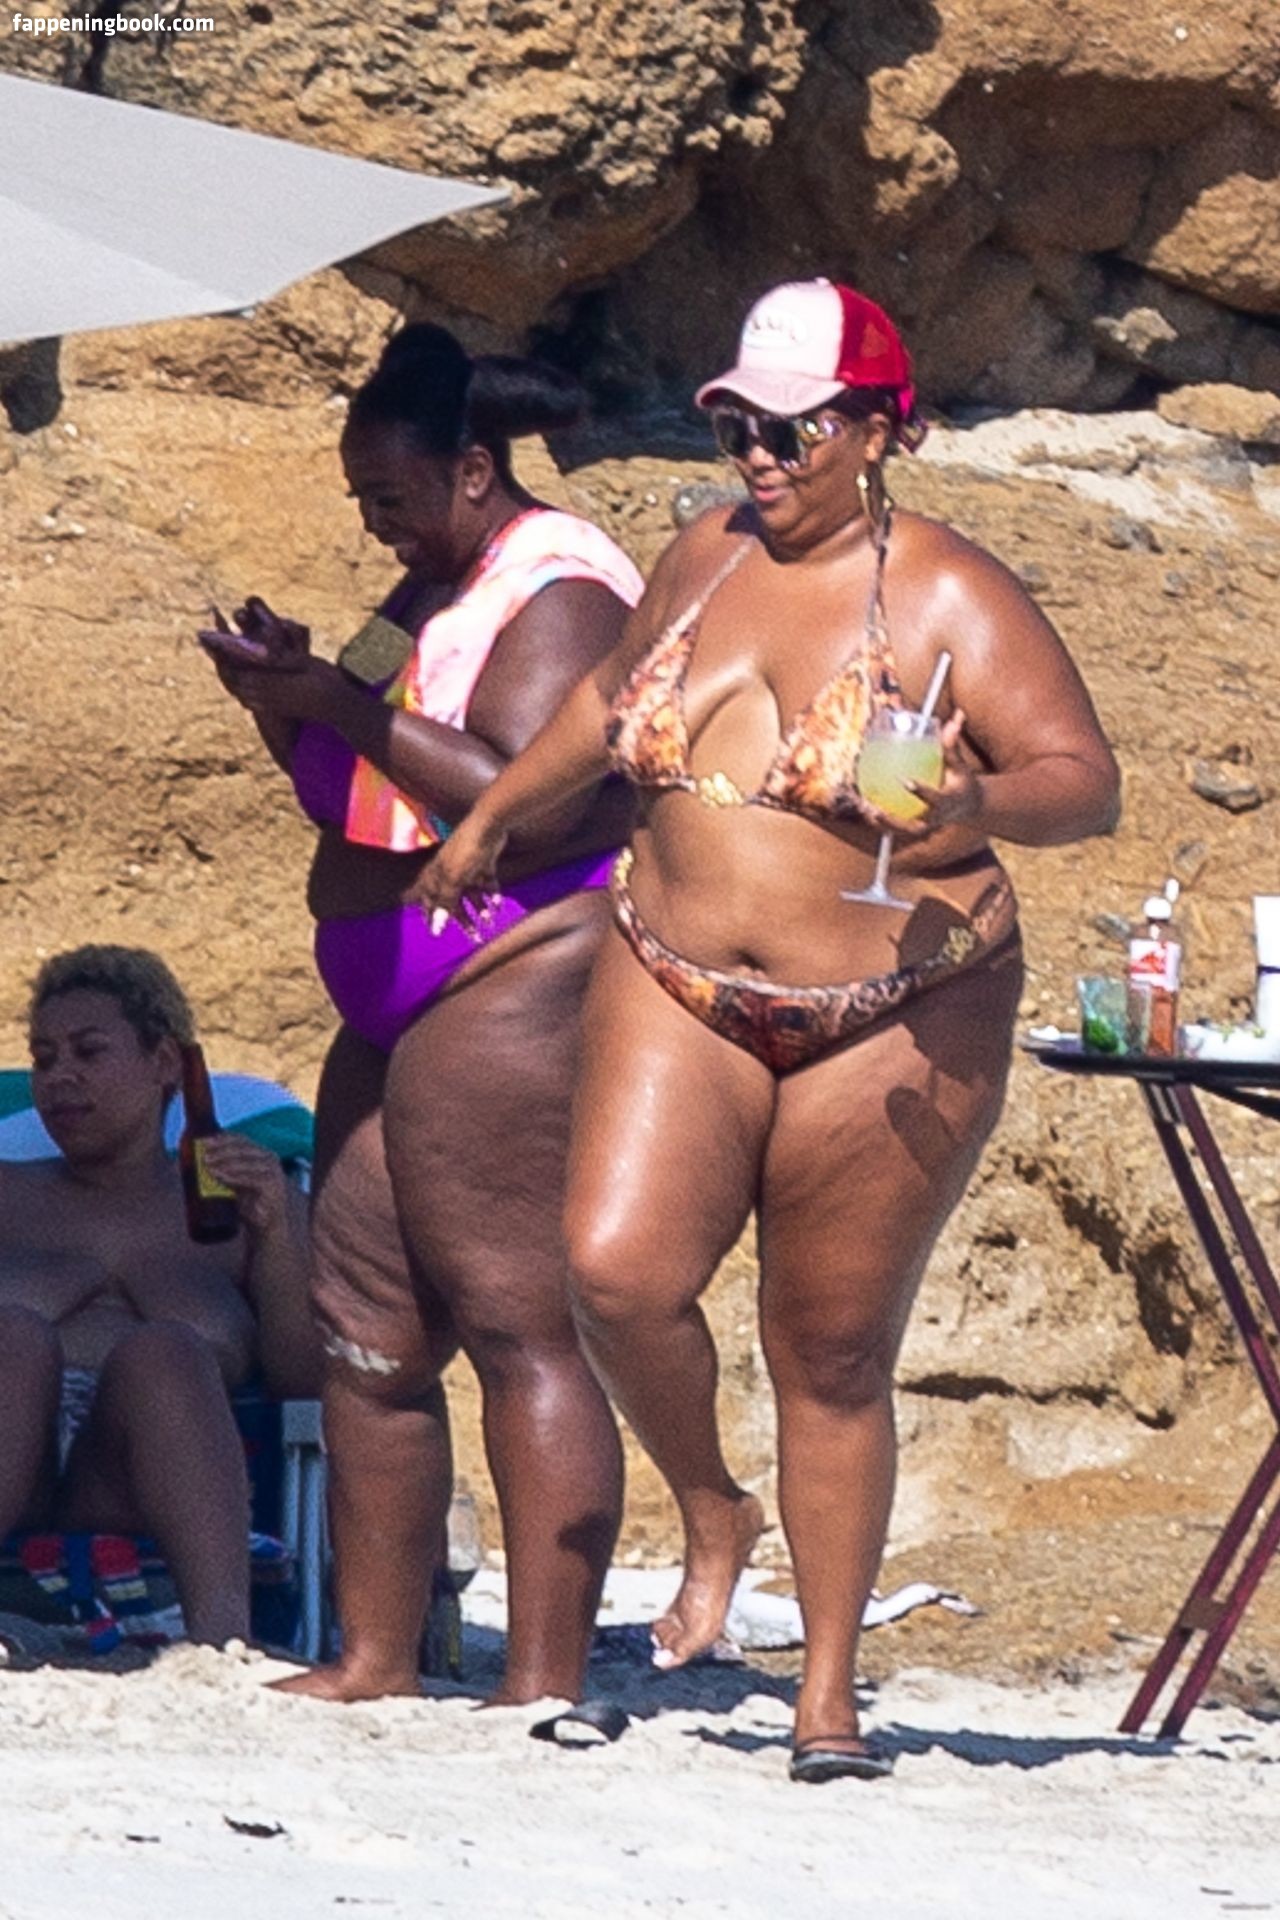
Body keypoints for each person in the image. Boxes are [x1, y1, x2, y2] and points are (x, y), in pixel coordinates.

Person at [420, 279, 1121, 1780]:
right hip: (676, 970)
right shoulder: (704, 554)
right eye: (738, 422)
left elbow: (1084, 781)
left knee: (829, 1347)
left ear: (878, 431)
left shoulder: (949, 595)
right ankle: (712, 1507)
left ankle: (828, 1692)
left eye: (793, 429)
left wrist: (978, 799)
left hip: (896, 1003)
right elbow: (606, 696)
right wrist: (491, 820)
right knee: (615, 1273)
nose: (760, 454)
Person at [199, 325, 644, 1707]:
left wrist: (333, 698)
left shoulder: (563, 591)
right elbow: (347, 774)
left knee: (517, 1320)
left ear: (472, 472)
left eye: (388, 493)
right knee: (363, 1323)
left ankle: (541, 1680)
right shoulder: (422, 591)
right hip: (398, 993)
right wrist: (283, 695)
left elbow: (521, 795)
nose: (372, 520)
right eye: (359, 497)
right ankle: (375, 1656)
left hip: (514, 970)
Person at [0, 945, 317, 1647]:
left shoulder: (237, 1209)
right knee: (14, 1339)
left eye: (89, 1052)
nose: (59, 1077)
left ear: (166, 1063)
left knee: (165, 1352)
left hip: (129, 1483)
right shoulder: (4, 1195)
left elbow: (302, 1384)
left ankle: (222, 1646)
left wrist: (275, 1235)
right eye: (44, 1058)